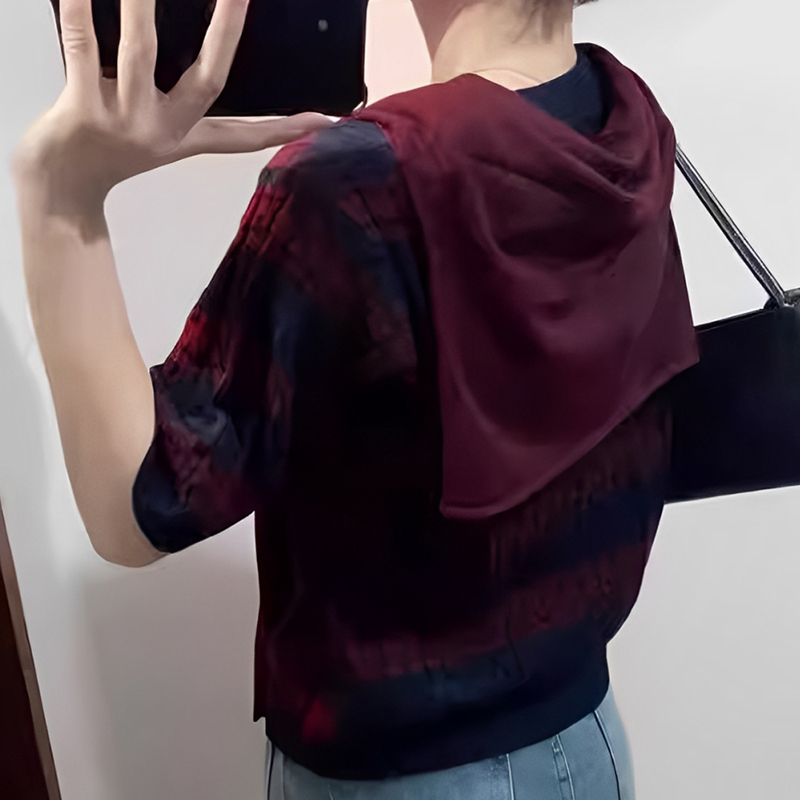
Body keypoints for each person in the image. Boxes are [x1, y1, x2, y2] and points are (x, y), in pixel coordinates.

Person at [12, 0, 700, 798]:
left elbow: (139, 507)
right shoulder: (621, 118)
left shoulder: (352, 183)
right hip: (587, 743)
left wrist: (58, 197)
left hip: (401, 777)